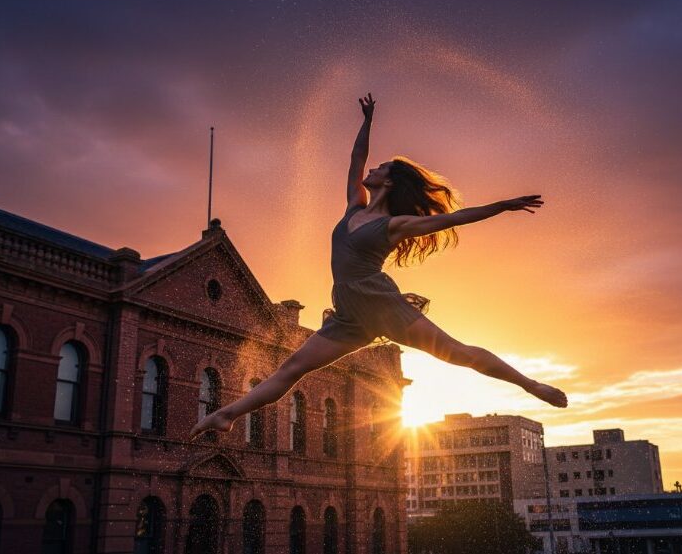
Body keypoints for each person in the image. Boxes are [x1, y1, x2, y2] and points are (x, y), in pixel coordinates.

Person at [189, 92, 567, 441]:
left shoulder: (394, 225)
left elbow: (455, 218)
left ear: (388, 181)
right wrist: (367, 121)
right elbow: (356, 159)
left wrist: (502, 206)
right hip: (349, 314)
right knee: (292, 369)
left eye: (381, 167)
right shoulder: (354, 206)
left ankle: (532, 385)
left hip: (380, 303)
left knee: (458, 352)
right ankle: (228, 415)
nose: (373, 168)